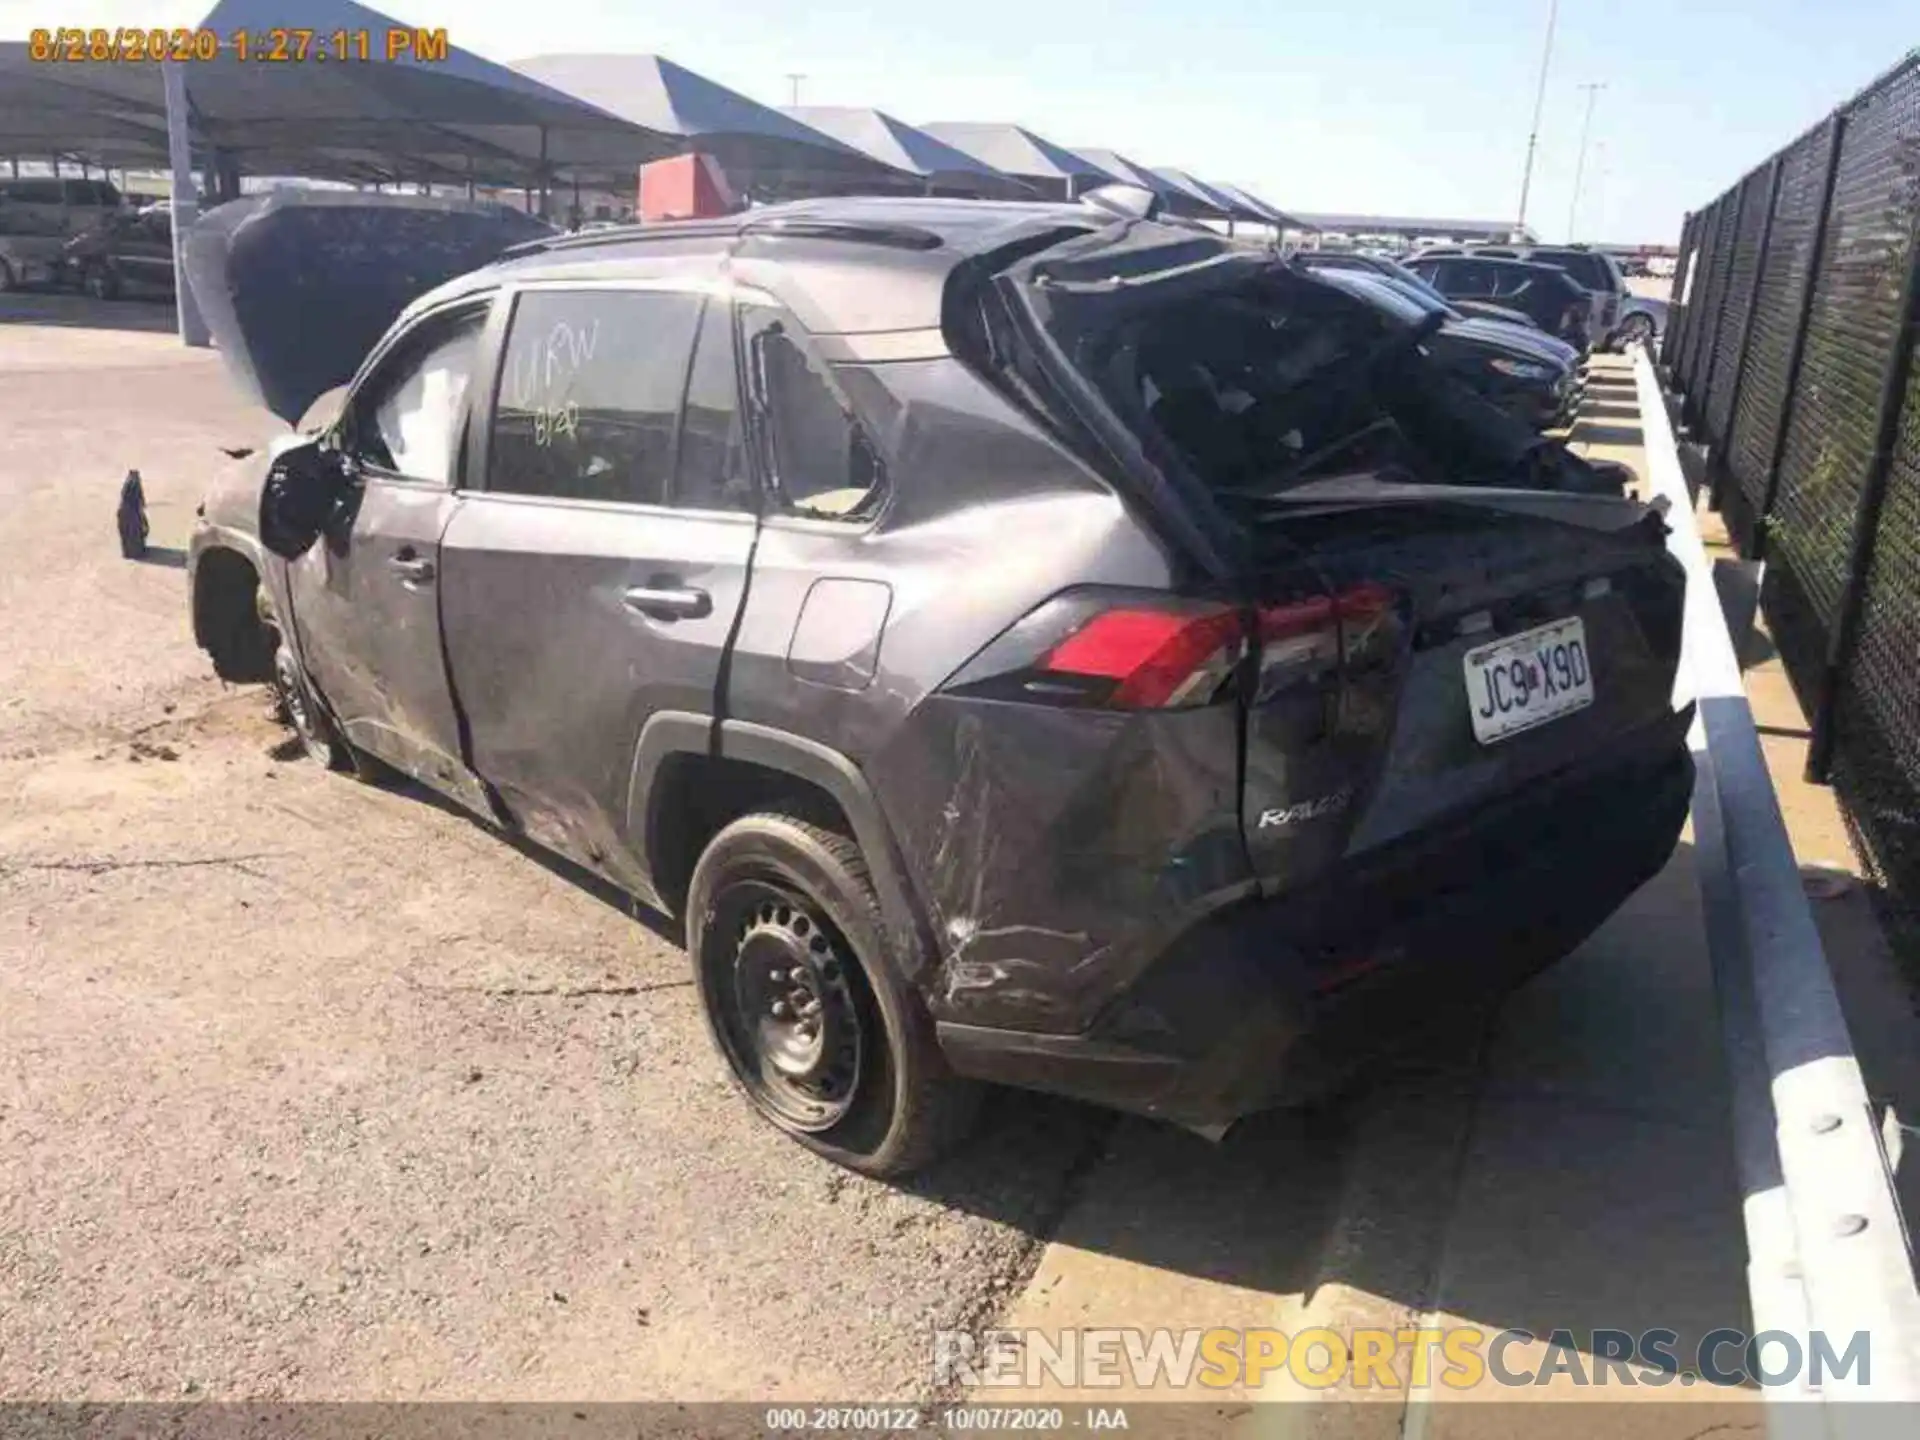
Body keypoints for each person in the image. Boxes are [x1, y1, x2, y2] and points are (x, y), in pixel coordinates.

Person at [117, 468, 149, 560]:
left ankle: (131, 552)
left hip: (126, 513)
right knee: (134, 533)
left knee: (130, 534)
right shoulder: (134, 486)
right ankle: (136, 552)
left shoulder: (127, 487)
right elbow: (139, 500)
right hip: (131, 514)